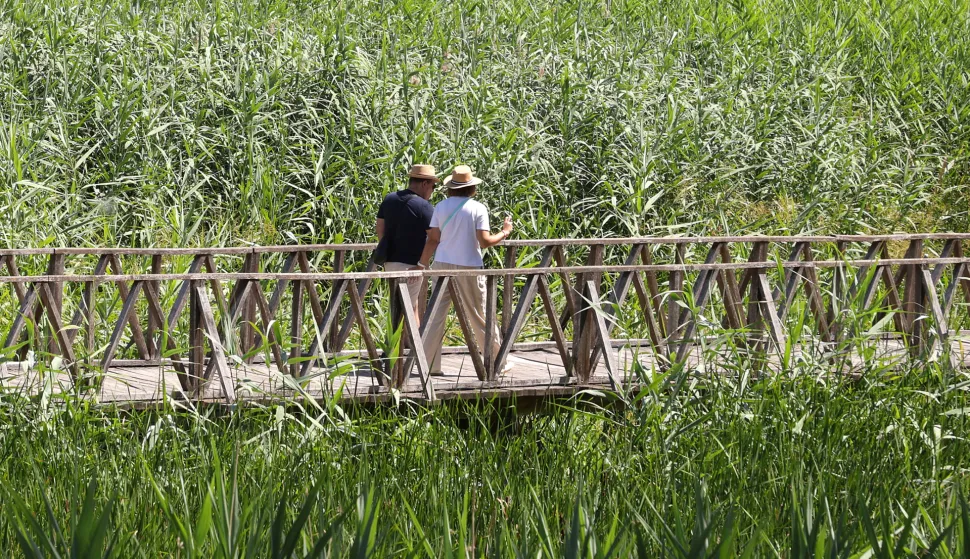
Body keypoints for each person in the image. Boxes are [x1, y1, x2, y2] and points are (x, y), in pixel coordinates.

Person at [414, 165, 514, 376]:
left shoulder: (440, 206)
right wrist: (504, 232)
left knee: (436, 314)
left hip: (442, 262)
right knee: (479, 314)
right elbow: (485, 242)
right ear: (471, 188)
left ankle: (429, 364)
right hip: (468, 265)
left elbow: (434, 236)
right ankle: (497, 362)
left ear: (451, 187)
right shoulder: (478, 208)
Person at [376, 164, 438, 321]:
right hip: (412, 265)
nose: (432, 191)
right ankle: (405, 345)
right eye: (433, 186)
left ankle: (412, 344)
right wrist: (422, 265)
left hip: (389, 262)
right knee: (406, 310)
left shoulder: (390, 198)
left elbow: (380, 228)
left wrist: (385, 250)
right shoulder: (423, 206)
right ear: (425, 184)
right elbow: (434, 238)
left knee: (409, 306)